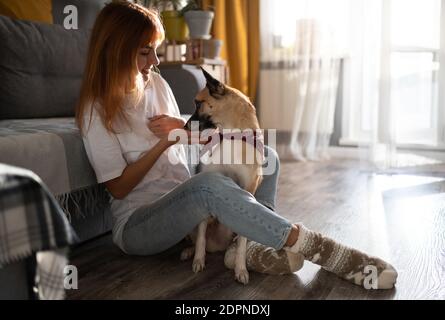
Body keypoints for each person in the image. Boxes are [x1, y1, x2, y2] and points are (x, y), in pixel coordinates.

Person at [75, 1, 397, 289]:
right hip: (140, 225)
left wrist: (193, 133)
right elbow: (118, 188)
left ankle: (253, 247)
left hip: (185, 208)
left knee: (265, 156)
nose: (156, 61)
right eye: (145, 51)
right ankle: (318, 248)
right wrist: (164, 143)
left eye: (156, 49)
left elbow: (191, 139)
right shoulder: (95, 110)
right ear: (116, 50)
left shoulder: (156, 83)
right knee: (208, 186)